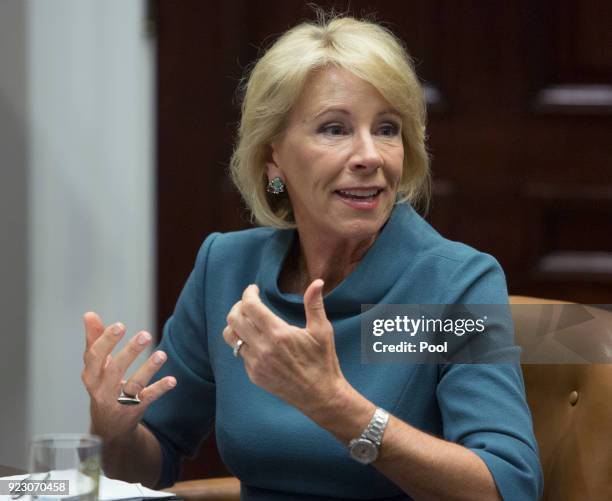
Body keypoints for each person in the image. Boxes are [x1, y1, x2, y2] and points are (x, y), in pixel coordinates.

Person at [81, 14, 543, 501]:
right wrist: (114, 430)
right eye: (334, 129)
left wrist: (336, 406)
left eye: (387, 128)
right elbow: (152, 460)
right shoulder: (226, 268)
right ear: (273, 155)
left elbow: (507, 487)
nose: (370, 155)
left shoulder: (455, 286)